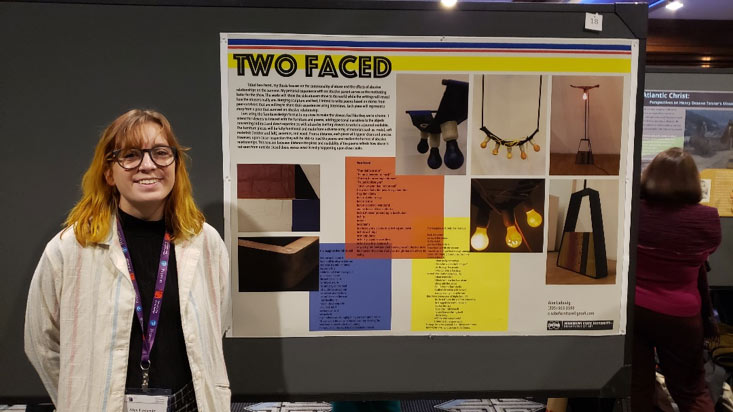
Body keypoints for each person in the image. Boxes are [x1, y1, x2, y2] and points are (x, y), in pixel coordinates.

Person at [24, 109, 231, 412]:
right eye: (131, 155)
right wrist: (82, 398)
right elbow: (41, 344)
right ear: (108, 173)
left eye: (161, 152)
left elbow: (217, 324)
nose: (148, 165)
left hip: (190, 404)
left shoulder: (205, 242)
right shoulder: (70, 248)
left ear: (175, 164)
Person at [632, 147, 721, 412]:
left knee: (638, 389)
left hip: (636, 311)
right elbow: (705, 254)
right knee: (691, 391)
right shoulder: (707, 220)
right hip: (682, 317)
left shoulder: (635, 212)